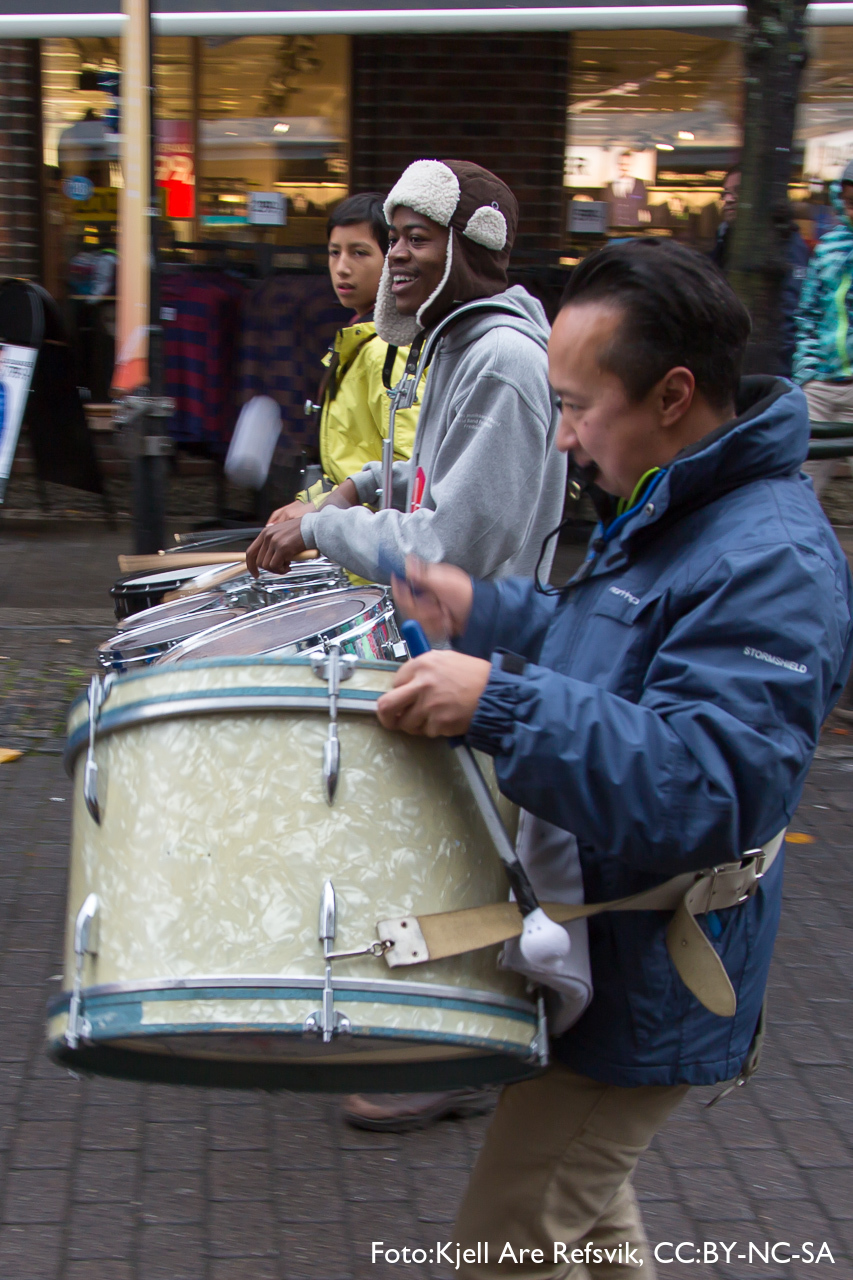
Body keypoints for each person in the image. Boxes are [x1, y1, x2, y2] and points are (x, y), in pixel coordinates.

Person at [376, 240, 853, 1276]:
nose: (559, 437)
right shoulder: (680, 501)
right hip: (602, 955)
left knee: (504, 1246)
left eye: (578, 405)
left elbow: (708, 784)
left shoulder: (767, 555)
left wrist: (495, 701)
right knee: (588, 1226)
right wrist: (483, 609)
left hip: (647, 974)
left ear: (673, 393)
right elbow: (605, 635)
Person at [246, 158, 566, 586]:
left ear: (466, 251)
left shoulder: (503, 362)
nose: (395, 253)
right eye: (394, 238)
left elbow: (451, 548)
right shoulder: (461, 345)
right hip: (440, 642)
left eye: (416, 239)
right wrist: (362, 485)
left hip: (476, 650)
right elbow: (438, 472)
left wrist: (319, 528)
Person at [267, 192, 419, 522]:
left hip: (373, 561)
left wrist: (320, 509)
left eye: (359, 253)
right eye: (334, 253)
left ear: (393, 257)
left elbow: (409, 475)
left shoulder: (388, 351)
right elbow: (349, 463)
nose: (342, 267)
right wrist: (310, 500)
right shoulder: (359, 339)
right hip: (350, 548)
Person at [712, 165, 810, 377]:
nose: (728, 199)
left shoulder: (788, 243)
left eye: (737, 192)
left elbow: (791, 312)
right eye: (725, 193)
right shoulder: (725, 240)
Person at [794, 159, 853, 496]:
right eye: (847, 201)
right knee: (802, 489)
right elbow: (808, 312)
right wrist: (808, 373)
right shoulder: (830, 249)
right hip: (822, 383)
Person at [606, 152, 649, 229]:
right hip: (613, 230)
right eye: (621, 163)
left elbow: (644, 208)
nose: (624, 167)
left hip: (634, 230)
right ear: (617, 165)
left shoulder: (640, 184)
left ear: (632, 165)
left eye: (627, 164)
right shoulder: (609, 186)